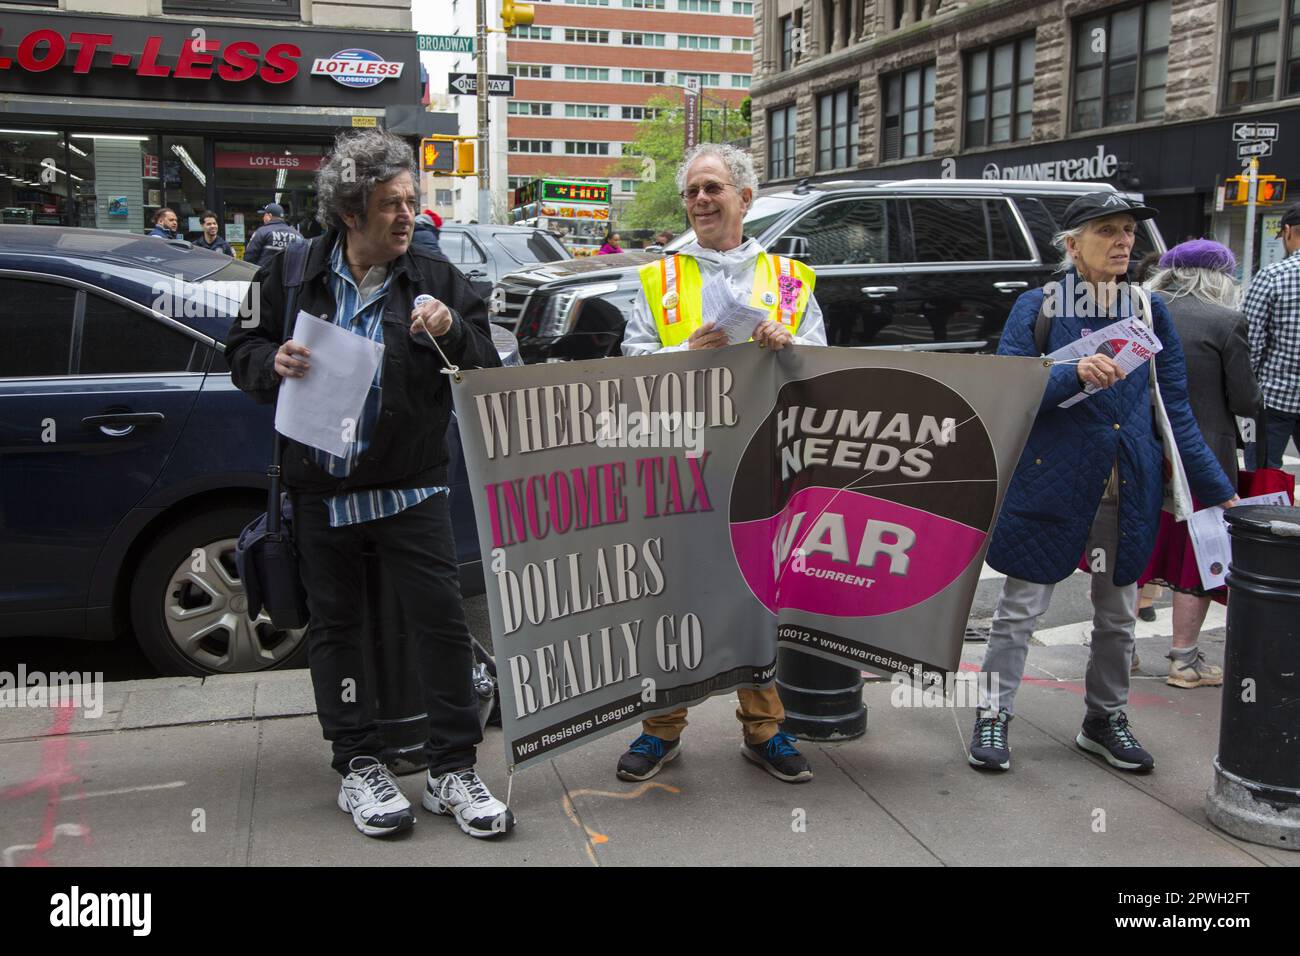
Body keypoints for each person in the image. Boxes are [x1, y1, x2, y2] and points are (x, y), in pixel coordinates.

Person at [225, 129, 510, 841]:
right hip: (321, 494)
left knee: (442, 627)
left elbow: (485, 365)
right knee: (338, 630)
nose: (408, 216)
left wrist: (453, 333)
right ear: (351, 213)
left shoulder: (437, 278)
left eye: (411, 201)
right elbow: (242, 352)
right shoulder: (291, 275)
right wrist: (273, 362)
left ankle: (452, 768)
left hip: (412, 491)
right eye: (391, 205)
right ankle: (359, 764)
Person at [970, 193, 1238, 775]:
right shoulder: (1038, 306)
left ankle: (1104, 719)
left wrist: (1216, 488)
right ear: (1072, 245)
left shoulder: (1149, 309)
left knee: (1117, 615)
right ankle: (993, 714)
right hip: (1051, 482)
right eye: (1108, 231)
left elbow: (1175, 409)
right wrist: (1067, 374)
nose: (1124, 242)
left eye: (1129, 232)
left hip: (1128, 485)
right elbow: (1007, 390)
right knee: (1020, 610)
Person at [618, 142, 827, 785]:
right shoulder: (660, 277)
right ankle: (661, 729)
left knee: (755, 596)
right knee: (675, 593)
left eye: (714, 188)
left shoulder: (789, 279)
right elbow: (629, 365)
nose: (702, 201)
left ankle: (766, 729)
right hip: (683, 461)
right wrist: (683, 353)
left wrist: (786, 344)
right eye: (693, 191)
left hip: (761, 461)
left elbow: (820, 367)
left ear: (745, 198)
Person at [1140, 240, 1260, 688]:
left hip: (1144, 446)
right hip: (1207, 454)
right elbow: (1246, 399)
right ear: (1219, 278)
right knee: (1199, 553)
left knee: (1138, 544)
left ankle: (1121, 649)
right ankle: (1184, 661)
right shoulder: (1226, 321)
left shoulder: (1144, 312)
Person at [1244, 203, 1300, 468]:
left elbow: (1250, 343)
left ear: (1288, 231)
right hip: (1275, 398)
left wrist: (1244, 390)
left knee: (1263, 475)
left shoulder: (1272, 276)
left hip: (1274, 398)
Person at [243, 201, 304, 266]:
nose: (263, 218)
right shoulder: (298, 235)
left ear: (269, 216)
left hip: (266, 275)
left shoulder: (262, 232)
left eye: (264, 215)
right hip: (290, 275)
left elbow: (249, 258)